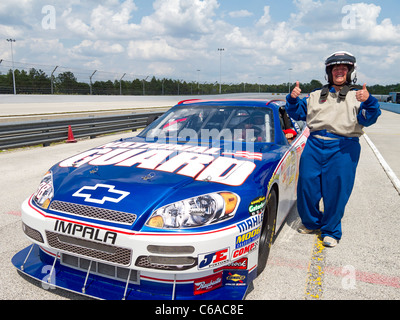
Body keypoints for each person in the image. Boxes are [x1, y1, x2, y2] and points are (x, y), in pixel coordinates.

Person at [285, 51, 381, 247]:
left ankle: (331, 231)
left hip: (343, 146)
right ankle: (312, 222)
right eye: (335, 68)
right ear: (329, 72)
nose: (339, 71)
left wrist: (369, 101)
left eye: (343, 69)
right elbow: (297, 113)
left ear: (350, 72)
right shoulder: (314, 95)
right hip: (314, 143)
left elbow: (369, 118)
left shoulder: (358, 96)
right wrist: (293, 99)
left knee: (336, 190)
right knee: (307, 187)